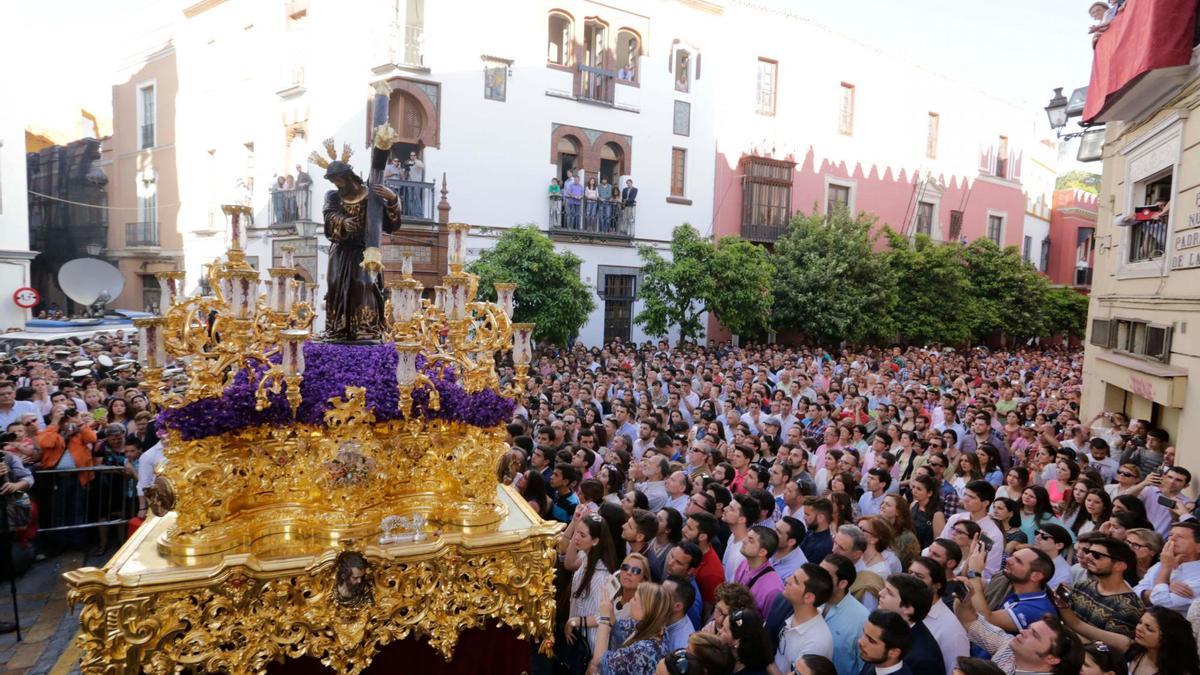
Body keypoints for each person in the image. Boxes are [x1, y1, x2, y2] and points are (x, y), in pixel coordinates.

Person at [590, 581, 672, 675]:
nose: (630, 601)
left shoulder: (644, 650)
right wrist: (609, 609)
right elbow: (617, 627)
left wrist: (604, 618)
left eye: (635, 598)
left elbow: (600, 661)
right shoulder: (658, 628)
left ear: (646, 609)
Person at [770, 563, 835, 675]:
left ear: (809, 597)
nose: (787, 580)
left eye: (795, 581)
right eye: (791, 575)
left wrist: (766, 660)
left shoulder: (817, 643)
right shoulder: (786, 606)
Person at [878, 573, 946, 675]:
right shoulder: (890, 627)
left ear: (908, 608)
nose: (880, 593)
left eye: (890, 593)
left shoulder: (923, 659)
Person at [940, 480, 1003, 581]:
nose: (965, 499)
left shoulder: (993, 534)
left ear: (985, 503)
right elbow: (941, 542)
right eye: (965, 494)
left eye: (972, 497)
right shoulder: (955, 519)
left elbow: (990, 572)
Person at [819, 553, 870, 675]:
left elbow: (863, 666)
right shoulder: (811, 599)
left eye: (824, 576)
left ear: (842, 584)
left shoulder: (862, 618)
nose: (817, 578)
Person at [1133, 521, 1200, 614]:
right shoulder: (1161, 564)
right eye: (1170, 535)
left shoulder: (1197, 577)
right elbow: (1134, 594)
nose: (1172, 539)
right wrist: (1167, 587)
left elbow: (1160, 603)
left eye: (1180, 537)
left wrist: (1165, 569)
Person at [1124, 606, 1200, 675]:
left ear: (1167, 638)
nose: (1139, 628)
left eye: (1149, 629)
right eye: (1140, 622)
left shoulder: (1180, 671)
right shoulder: (1136, 650)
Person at [734, 525, 785, 617]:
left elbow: (768, 623)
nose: (744, 541)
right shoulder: (744, 563)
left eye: (750, 540)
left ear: (762, 552)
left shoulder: (773, 590)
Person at [857, 609, 914, 675]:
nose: (860, 641)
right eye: (864, 633)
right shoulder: (874, 660)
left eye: (871, 641)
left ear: (894, 652)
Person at [660, 575, 696, 651]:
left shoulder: (682, 645)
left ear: (677, 606)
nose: (656, 596)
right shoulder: (662, 615)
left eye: (663, 595)